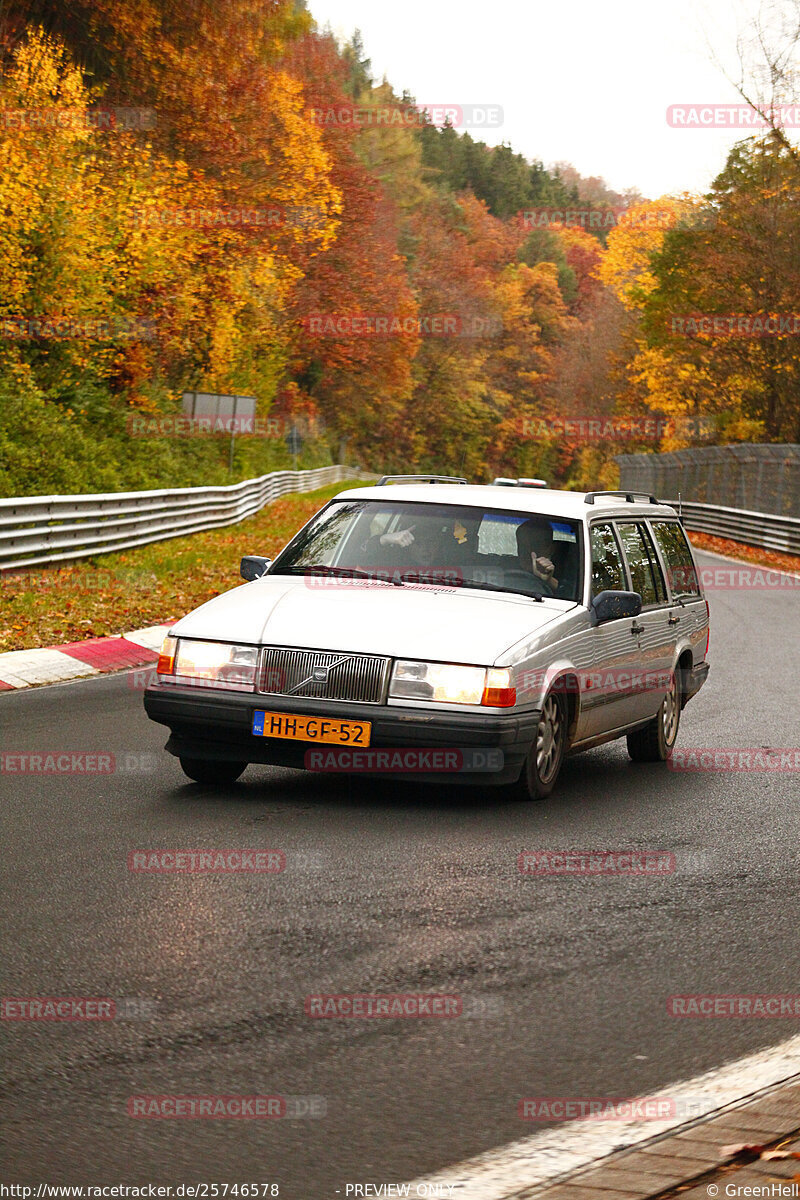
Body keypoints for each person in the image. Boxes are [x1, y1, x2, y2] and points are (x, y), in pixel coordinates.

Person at [516, 519, 559, 593]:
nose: (529, 551)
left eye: (535, 545)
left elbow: (567, 592)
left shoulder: (569, 575)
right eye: (523, 546)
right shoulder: (503, 566)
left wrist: (549, 580)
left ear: (551, 549)